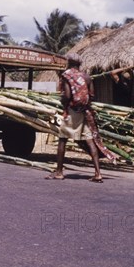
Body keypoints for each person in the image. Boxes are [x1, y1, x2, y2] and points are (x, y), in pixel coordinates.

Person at [47, 53, 117, 182]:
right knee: (90, 141)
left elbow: (67, 95)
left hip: (72, 112)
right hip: (85, 112)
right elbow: (92, 95)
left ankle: (59, 172)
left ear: (69, 62)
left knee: (62, 139)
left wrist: (63, 103)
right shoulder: (86, 76)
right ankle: (97, 173)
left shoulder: (67, 75)